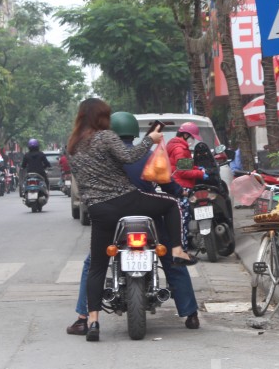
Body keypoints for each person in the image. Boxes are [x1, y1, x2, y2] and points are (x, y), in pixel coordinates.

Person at [67, 98, 195, 342]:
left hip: (99, 211)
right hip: (127, 203)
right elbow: (129, 158)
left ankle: (91, 321)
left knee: (95, 266)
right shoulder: (107, 138)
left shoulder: (73, 145)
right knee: (170, 208)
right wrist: (151, 140)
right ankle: (179, 253)